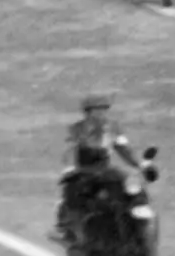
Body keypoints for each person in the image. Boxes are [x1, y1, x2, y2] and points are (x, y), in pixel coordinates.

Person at [50, 95, 148, 242]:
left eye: (104, 109)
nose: (102, 113)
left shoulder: (113, 128)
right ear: (88, 112)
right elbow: (70, 149)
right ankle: (65, 228)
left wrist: (141, 164)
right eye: (97, 110)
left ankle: (138, 213)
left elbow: (124, 149)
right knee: (71, 191)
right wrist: (69, 168)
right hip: (84, 170)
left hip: (106, 170)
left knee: (130, 184)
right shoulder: (76, 129)